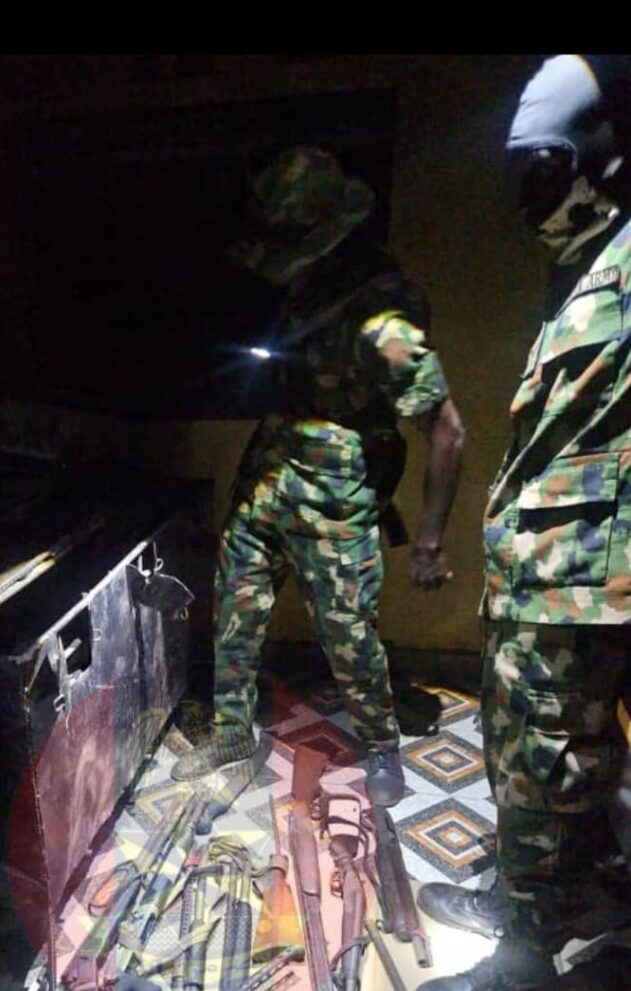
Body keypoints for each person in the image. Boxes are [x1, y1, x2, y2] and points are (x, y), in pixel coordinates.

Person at [414, 54, 631, 991]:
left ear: (599, 155)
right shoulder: (584, 269)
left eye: (542, 168)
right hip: (547, 581)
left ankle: (524, 972)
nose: (524, 197)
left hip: (588, 586)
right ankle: (540, 897)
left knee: (548, 765)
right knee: (532, 760)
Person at [172, 146, 465, 807]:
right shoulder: (307, 288)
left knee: (348, 638)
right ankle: (232, 734)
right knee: (234, 618)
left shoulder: (385, 315)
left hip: (335, 504)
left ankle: (380, 745)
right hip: (266, 483)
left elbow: (446, 430)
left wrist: (428, 542)